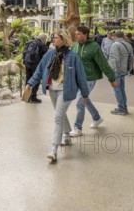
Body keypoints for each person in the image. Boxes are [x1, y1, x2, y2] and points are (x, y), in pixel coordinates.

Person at [27, 29, 90, 162]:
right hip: (52, 90)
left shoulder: (73, 57)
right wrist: (31, 83)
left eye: (55, 38)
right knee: (60, 114)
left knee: (57, 117)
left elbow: (81, 77)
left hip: (66, 91)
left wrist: (85, 93)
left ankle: (53, 149)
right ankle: (66, 135)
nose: (53, 40)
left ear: (63, 40)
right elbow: (40, 70)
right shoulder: (50, 54)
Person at [69, 25, 117, 137]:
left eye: (78, 34)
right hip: (77, 78)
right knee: (84, 100)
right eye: (75, 33)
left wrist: (112, 78)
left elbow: (103, 64)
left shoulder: (94, 47)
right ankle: (97, 117)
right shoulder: (75, 46)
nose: (76, 35)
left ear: (85, 35)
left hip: (89, 78)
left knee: (79, 102)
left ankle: (77, 127)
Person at [108, 31, 134, 115]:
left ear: (115, 36)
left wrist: (114, 70)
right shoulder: (128, 44)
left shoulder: (115, 45)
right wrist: (129, 68)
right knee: (121, 89)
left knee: (117, 90)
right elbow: (131, 58)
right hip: (123, 70)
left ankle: (121, 108)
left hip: (117, 70)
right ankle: (123, 107)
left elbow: (115, 59)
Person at [22, 33, 48, 103]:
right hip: (36, 65)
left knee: (28, 79)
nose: (45, 41)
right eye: (45, 39)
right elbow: (46, 56)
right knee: (36, 79)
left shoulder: (29, 42)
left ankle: (26, 97)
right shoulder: (41, 44)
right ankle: (33, 97)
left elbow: (23, 53)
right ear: (43, 39)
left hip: (27, 64)